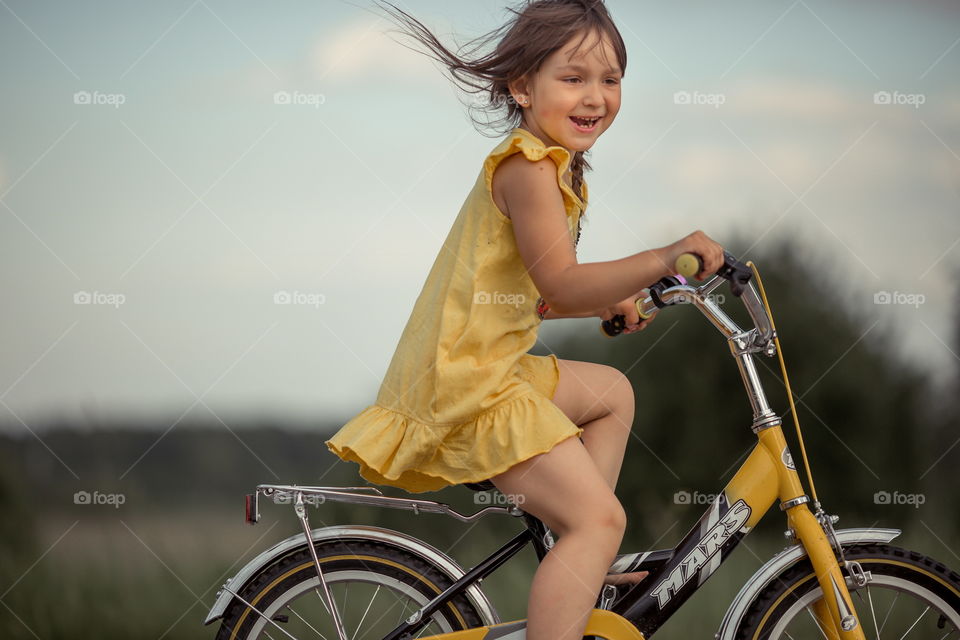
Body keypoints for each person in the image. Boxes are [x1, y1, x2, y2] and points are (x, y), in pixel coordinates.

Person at [325, 1, 725, 638]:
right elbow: (560, 286)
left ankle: (579, 561)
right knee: (601, 520)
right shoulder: (528, 167)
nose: (596, 96)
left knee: (612, 394)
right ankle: (584, 543)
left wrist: (608, 300)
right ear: (521, 86)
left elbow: (539, 278)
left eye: (611, 79)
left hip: (490, 369)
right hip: (470, 386)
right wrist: (657, 258)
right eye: (574, 78)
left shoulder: (552, 166)